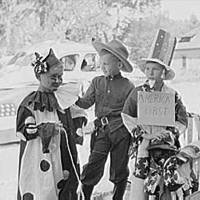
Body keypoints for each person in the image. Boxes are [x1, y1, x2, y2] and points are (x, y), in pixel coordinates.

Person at [121, 29, 188, 200]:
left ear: (163, 72)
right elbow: (127, 115)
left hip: (164, 143)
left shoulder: (172, 94)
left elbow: (182, 119)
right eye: (148, 69)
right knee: (141, 178)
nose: (151, 73)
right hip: (144, 140)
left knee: (165, 175)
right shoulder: (137, 92)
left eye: (155, 69)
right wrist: (140, 133)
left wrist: (171, 132)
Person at [16, 48, 87, 200]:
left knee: (67, 184)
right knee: (43, 186)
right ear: (40, 76)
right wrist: (46, 129)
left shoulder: (63, 97)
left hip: (64, 152)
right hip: (40, 155)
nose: (58, 81)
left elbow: (78, 113)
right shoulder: (30, 104)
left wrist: (78, 125)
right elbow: (24, 130)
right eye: (53, 77)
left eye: (60, 77)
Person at [75, 39, 135, 200]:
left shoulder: (129, 86)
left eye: (107, 64)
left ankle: (118, 198)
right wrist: (72, 96)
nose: (103, 67)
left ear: (119, 65)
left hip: (121, 133)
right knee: (94, 164)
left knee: (120, 167)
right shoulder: (96, 82)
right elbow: (86, 102)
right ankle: (84, 197)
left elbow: (132, 112)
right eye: (101, 63)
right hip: (101, 132)